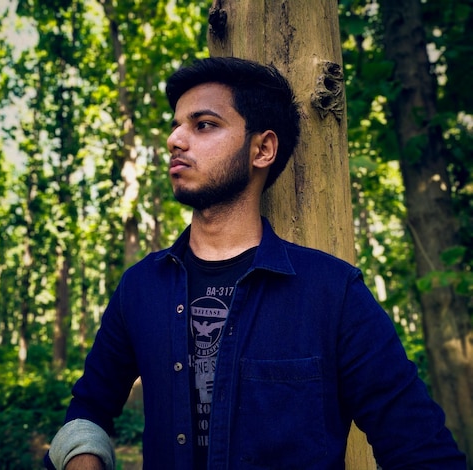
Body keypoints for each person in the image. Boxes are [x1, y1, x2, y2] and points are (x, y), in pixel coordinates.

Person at [44, 57, 466, 469]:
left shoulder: (333, 293)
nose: (175, 139)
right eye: (175, 125)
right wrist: (83, 454)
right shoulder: (139, 287)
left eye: (203, 125)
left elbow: (420, 450)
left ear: (262, 148)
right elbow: (90, 407)